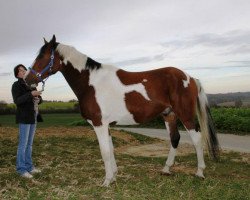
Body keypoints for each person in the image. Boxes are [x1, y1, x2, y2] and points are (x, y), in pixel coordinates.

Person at [11, 64, 43, 178]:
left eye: (24, 69)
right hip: (24, 117)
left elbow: (40, 100)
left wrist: (37, 98)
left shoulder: (31, 84)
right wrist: (30, 94)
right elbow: (18, 101)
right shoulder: (16, 85)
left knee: (29, 144)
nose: (24, 71)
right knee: (23, 144)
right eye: (21, 70)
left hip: (33, 116)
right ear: (17, 74)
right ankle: (21, 169)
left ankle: (29, 167)